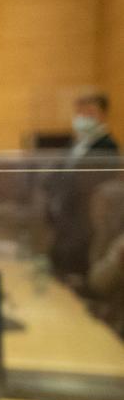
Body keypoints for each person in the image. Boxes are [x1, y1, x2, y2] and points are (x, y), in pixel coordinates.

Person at [49, 90, 121, 281]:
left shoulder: (107, 147)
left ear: (102, 115)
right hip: (66, 218)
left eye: (90, 113)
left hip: (85, 219)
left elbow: (96, 185)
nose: (83, 118)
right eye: (80, 113)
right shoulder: (76, 143)